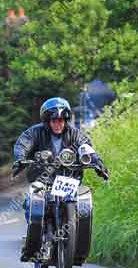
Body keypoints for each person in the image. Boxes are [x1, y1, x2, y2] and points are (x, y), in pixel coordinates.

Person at [12, 97, 109, 227]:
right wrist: (20, 158)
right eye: (54, 120)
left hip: (68, 179)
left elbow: (86, 147)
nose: (58, 124)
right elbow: (23, 144)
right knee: (32, 202)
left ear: (65, 121)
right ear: (47, 121)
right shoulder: (36, 132)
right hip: (42, 179)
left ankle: (77, 235)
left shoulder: (75, 134)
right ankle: (32, 238)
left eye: (61, 120)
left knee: (84, 203)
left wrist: (97, 163)